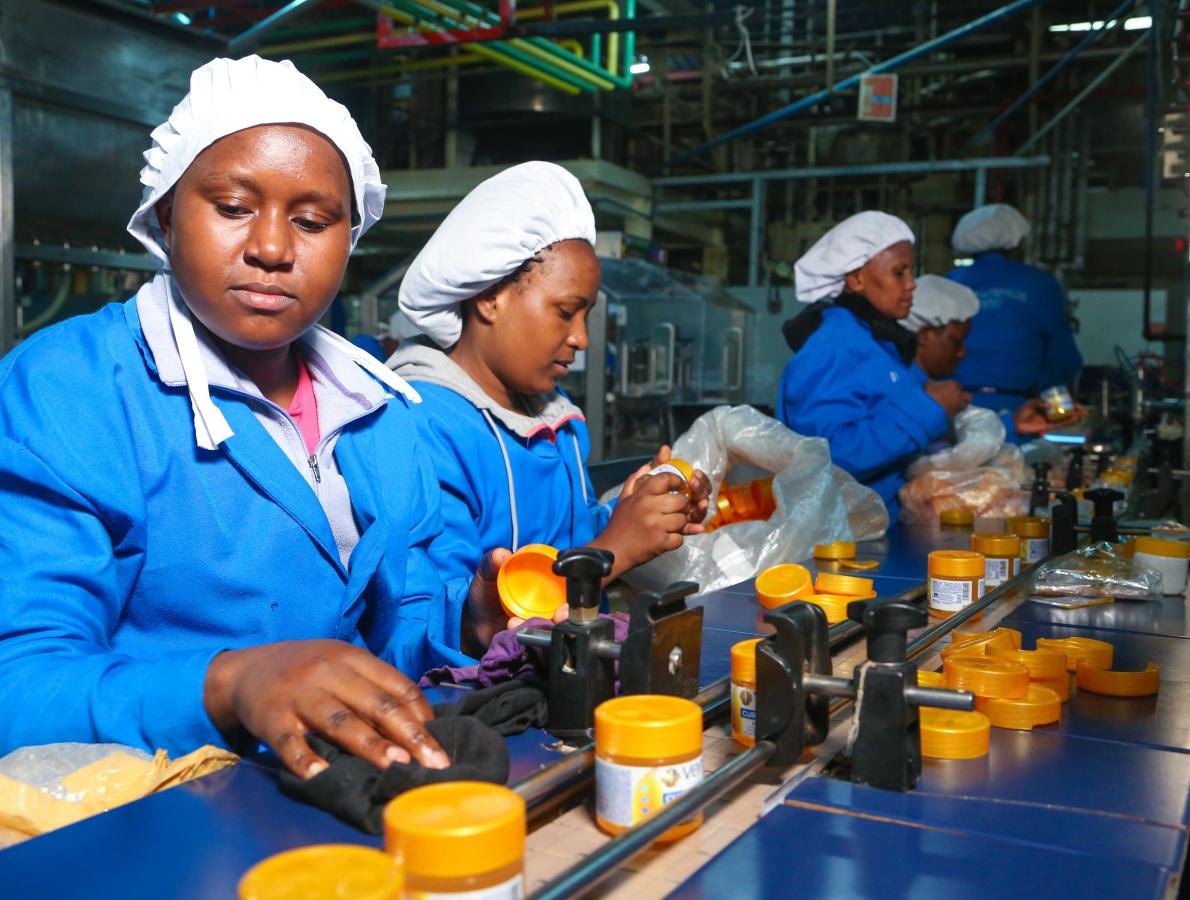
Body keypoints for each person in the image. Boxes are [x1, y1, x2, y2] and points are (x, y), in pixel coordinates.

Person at [0, 56, 511, 778]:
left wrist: (470, 620)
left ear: (349, 237)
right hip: (150, 819)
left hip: (321, 803)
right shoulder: (69, 390)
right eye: (233, 207)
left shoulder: (381, 413)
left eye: (311, 220)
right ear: (167, 215)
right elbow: (17, 685)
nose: (272, 248)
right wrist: (229, 685)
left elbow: (387, 643)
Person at [389, 162, 711, 595]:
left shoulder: (557, 422)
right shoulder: (422, 429)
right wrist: (617, 549)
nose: (581, 339)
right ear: (489, 298)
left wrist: (636, 511)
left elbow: (572, 540)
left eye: (586, 316)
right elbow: (452, 615)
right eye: (565, 312)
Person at [777, 212, 970, 524]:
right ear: (855, 279)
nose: (911, 286)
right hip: (843, 536)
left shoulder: (878, 344)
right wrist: (928, 408)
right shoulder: (832, 349)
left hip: (882, 524)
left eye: (911, 273)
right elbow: (828, 456)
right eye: (899, 273)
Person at [945, 203, 1084, 442]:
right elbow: (1063, 360)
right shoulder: (1039, 284)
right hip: (1018, 412)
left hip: (951, 410)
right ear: (1016, 242)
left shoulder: (946, 284)